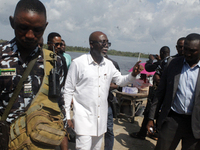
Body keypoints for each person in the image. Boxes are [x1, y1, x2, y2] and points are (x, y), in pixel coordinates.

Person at [0, 0, 68, 149]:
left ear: (45, 26)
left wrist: (63, 137)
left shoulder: (55, 62)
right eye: (23, 28)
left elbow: (59, 103)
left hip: (39, 142)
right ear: (12, 22)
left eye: (37, 30)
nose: (30, 35)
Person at [63, 31, 144, 150]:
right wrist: (67, 117)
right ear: (91, 44)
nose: (106, 45)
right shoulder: (78, 63)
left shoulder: (109, 65)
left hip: (100, 120)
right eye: (102, 42)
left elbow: (121, 81)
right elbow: (68, 90)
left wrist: (133, 74)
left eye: (107, 43)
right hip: (83, 119)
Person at [147, 33, 200, 150]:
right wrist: (151, 118)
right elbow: (160, 93)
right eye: (185, 49)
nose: (187, 53)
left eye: (192, 51)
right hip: (172, 120)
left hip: (196, 124)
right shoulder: (173, 64)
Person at [130, 46, 171, 140]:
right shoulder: (172, 62)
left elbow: (148, 68)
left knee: (149, 113)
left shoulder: (162, 63)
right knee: (160, 114)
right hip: (167, 95)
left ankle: (142, 133)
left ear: (161, 53)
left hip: (157, 93)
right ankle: (155, 133)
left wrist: (151, 60)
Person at [102, 44, 120, 150]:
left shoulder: (113, 64)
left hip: (107, 102)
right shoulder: (86, 63)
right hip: (92, 103)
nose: (105, 47)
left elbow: (118, 83)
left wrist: (107, 86)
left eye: (107, 45)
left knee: (109, 129)